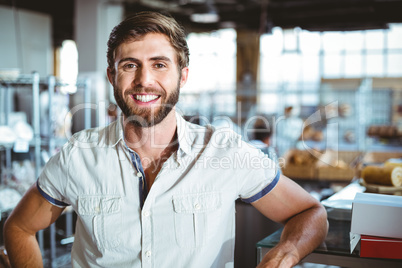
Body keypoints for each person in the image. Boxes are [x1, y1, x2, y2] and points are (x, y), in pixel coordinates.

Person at [4, 11, 328, 268]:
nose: (145, 81)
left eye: (159, 65)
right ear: (111, 76)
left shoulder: (224, 152)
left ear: (182, 75)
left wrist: (283, 255)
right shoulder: (78, 156)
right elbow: (18, 228)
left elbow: (310, 212)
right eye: (130, 66)